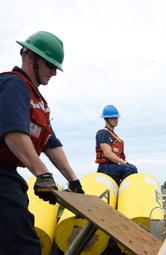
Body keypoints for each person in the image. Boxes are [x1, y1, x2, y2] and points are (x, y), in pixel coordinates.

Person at [0, 31, 84, 255]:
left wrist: (74, 182)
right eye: (50, 65)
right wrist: (42, 174)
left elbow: (51, 144)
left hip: (6, 172)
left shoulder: (38, 102)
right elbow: (13, 133)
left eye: (56, 67)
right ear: (30, 58)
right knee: (22, 245)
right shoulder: (13, 84)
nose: (54, 72)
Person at [95, 105, 138, 185]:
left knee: (131, 168)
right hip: (106, 167)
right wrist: (124, 163)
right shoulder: (103, 133)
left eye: (116, 118)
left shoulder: (113, 135)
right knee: (131, 169)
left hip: (113, 166)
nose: (115, 120)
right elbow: (108, 154)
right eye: (112, 118)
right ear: (106, 119)